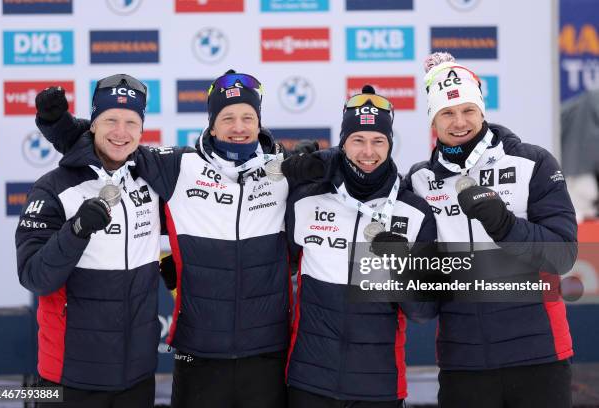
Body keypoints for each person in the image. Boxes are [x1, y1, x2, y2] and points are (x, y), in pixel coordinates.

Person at [35, 70, 325, 408]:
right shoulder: (179, 166)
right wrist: (59, 126)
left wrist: (312, 162)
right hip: (198, 354)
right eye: (227, 117)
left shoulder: (284, 171)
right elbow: (113, 144)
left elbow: (351, 165)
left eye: (248, 117)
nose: (239, 126)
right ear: (212, 124)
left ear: (259, 122)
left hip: (271, 355)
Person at [403, 52, 577, 407]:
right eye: (447, 113)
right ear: (432, 121)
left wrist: (504, 224)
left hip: (538, 354)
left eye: (468, 110)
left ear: (482, 110)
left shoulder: (532, 162)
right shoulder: (419, 182)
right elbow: (424, 304)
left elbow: (564, 254)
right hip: (463, 362)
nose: (459, 122)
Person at [284, 85, 437, 407]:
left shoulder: (413, 211)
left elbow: (424, 310)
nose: (368, 152)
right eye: (358, 140)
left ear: (390, 144)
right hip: (309, 381)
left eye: (378, 141)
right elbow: (275, 268)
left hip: (378, 387)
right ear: (343, 144)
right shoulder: (306, 199)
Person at [16, 74, 161, 407]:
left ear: (142, 130)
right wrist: (77, 229)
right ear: (93, 125)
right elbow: (35, 276)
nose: (120, 132)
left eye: (131, 122)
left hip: (136, 376)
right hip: (68, 377)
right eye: (110, 120)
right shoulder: (52, 188)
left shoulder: (151, 180)